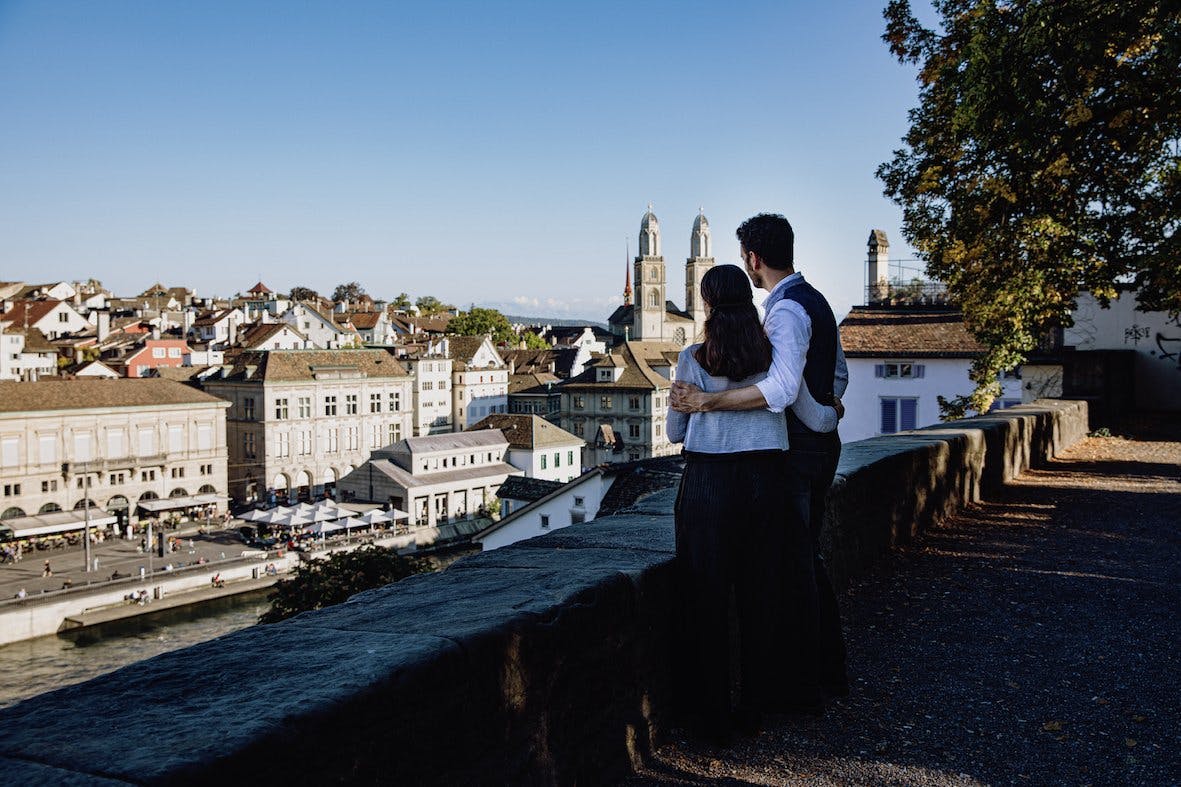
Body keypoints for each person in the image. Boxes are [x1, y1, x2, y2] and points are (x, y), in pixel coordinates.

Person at [672, 213, 850, 710]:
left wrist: (707, 403)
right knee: (795, 567)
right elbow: (837, 374)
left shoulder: (785, 312)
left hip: (790, 456)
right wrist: (827, 413)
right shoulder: (814, 300)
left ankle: (807, 686)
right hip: (797, 452)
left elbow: (780, 389)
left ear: (753, 258)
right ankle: (815, 678)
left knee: (793, 571)